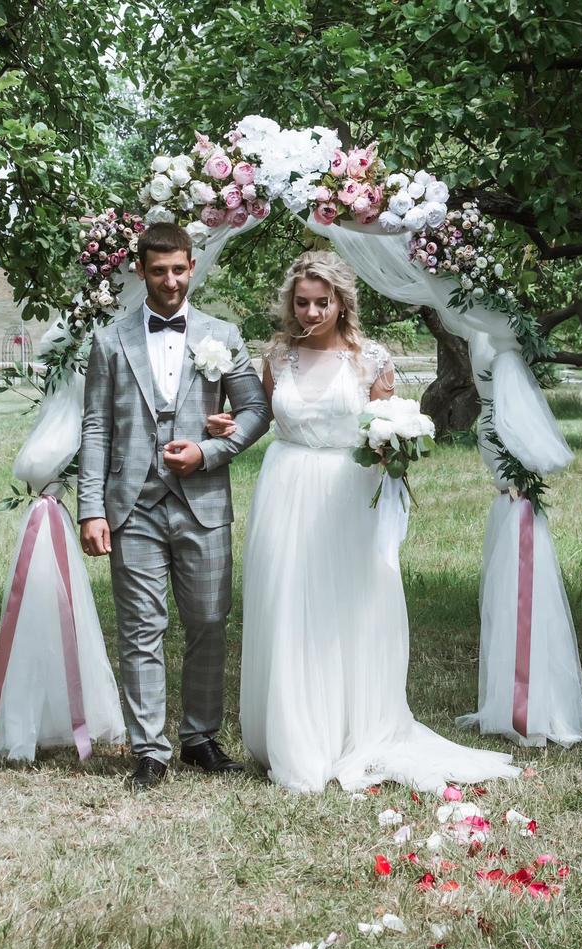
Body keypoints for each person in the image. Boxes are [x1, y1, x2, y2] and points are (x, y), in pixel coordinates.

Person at [224, 250, 519, 793]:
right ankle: (296, 735)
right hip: (285, 489)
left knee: (351, 606)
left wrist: (393, 447)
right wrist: (229, 422)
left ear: (342, 302)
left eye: (322, 302)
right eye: (302, 302)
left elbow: (385, 422)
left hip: (347, 494)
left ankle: (352, 727)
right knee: (287, 604)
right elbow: (263, 416)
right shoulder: (279, 355)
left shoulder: (370, 358)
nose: (311, 312)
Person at [77, 222, 271, 792]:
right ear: (140, 270)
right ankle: (149, 749)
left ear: (192, 267)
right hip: (131, 505)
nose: (169, 281)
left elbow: (256, 409)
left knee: (208, 621)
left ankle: (200, 738)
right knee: (141, 626)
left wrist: (211, 449)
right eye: (158, 270)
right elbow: (94, 428)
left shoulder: (222, 334)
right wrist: (91, 508)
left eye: (179, 269)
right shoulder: (110, 341)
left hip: (203, 501)